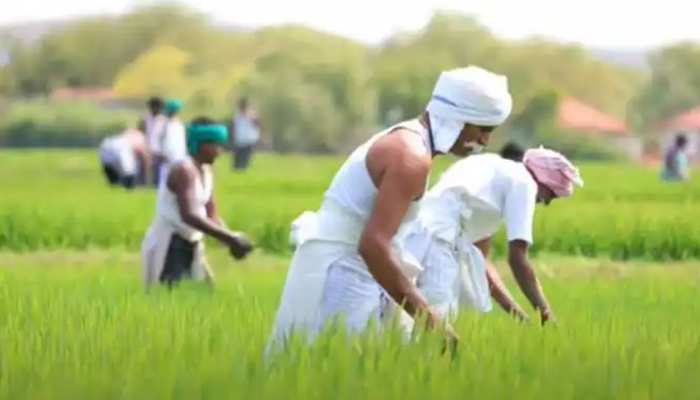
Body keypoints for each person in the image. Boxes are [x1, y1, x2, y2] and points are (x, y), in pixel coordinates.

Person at [269, 66, 513, 350]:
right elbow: (373, 245)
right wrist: (431, 322)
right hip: (346, 274)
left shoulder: (412, 142)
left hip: (357, 269)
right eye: (483, 129)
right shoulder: (410, 156)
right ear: (457, 119)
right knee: (331, 370)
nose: (485, 141)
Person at [403, 147, 583, 324]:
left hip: (410, 234)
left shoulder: (491, 168)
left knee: (405, 313)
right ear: (542, 182)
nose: (546, 203)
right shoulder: (524, 183)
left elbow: (482, 263)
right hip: (438, 243)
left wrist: (517, 315)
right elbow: (518, 258)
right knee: (437, 318)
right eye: (549, 195)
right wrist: (545, 312)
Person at [141, 117, 253, 288]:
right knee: (168, 298)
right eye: (216, 145)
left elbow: (211, 213)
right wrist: (230, 238)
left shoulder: (206, 171)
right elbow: (190, 215)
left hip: (192, 242)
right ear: (201, 144)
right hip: (171, 244)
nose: (219, 151)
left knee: (204, 293)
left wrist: (230, 238)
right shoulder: (184, 170)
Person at [159, 99, 188, 182]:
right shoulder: (181, 125)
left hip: (169, 157)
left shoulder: (167, 125)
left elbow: (167, 142)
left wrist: (164, 153)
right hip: (180, 156)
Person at [231, 97, 261, 171]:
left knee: (245, 160)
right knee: (236, 161)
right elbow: (234, 127)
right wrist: (233, 136)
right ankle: (237, 172)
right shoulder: (237, 115)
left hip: (249, 140)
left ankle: (243, 172)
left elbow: (258, 125)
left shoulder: (252, 115)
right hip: (239, 140)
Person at [142, 97, 167, 186]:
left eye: (156, 107)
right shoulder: (146, 118)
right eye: (152, 107)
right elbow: (144, 131)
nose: (153, 109)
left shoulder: (164, 120)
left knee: (159, 168)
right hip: (148, 146)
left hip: (160, 147)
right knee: (149, 167)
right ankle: (148, 183)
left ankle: (157, 184)